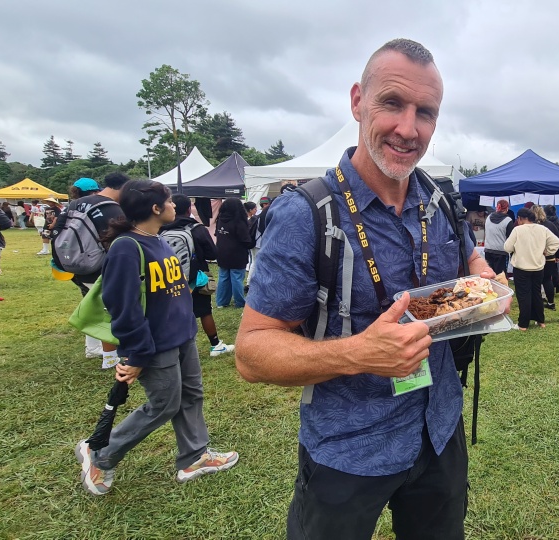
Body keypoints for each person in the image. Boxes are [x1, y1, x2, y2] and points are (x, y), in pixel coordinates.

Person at [235, 38, 494, 539]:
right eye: (392, 103)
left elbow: (469, 254)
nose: (408, 128)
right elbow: (250, 352)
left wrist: (481, 273)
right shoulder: (305, 215)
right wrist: (360, 353)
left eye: (425, 113)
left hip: (439, 429)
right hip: (347, 447)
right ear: (358, 100)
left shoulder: (440, 201)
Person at [74, 179, 238, 496]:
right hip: (153, 345)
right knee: (164, 404)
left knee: (191, 396)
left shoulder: (159, 240)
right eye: (169, 201)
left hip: (182, 337)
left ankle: (194, 457)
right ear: (155, 208)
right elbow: (123, 306)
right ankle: (100, 454)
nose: (176, 205)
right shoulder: (126, 247)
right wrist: (135, 355)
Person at [52, 174, 128, 366]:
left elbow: (56, 231)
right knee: (110, 310)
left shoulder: (72, 205)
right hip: (99, 265)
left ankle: (93, 348)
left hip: (75, 264)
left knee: (90, 303)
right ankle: (110, 357)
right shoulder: (109, 207)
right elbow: (116, 242)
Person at [160, 194, 235, 357]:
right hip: (195, 276)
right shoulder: (196, 228)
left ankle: (175, 345)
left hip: (167, 276)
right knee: (204, 310)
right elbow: (212, 253)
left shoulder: (161, 228)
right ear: (189, 209)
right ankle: (215, 344)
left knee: (173, 310)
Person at [506, 207, 559, 329]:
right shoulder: (543, 229)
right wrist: (547, 251)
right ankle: (540, 321)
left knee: (523, 295)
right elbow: (556, 242)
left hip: (521, 268)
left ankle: (523, 324)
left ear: (520, 219)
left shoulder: (518, 230)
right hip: (538, 267)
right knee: (536, 294)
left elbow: (507, 247)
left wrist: (517, 248)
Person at [214, 197, 254, 308]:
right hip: (237, 253)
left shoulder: (220, 219)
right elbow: (245, 239)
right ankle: (240, 302)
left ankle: (221, 302)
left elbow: (217, 234)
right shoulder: (239, 221)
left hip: (221, 251)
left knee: (223, 276)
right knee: (236, 277)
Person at [532, 205, 559, 310]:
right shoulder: (551, 225)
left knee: (535, 280)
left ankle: (537, 301)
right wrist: (557, 255)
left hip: (536, 257)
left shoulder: (532, 227)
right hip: (549, 257)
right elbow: (558, 240)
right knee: (547, 279)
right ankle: (551, 303)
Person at [483, 199, 514, 275]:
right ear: (507, 208)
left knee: (489, 275)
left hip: (488, 250)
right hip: (501, 252)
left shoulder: (489, 217)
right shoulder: (508, 220)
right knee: (500, 276)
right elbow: (510, 238)